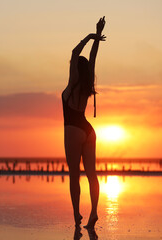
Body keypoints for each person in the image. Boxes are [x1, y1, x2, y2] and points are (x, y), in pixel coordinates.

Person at [62, 16, 106, 229]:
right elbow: (93, 56)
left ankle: (77, 215)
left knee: (74, 175)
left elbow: (74, 53)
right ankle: (94, 213)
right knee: (91, 175)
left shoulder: (72, 85)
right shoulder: (88, 84)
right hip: (89, 130)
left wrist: (90, 35)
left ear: (75, 69)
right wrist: (97, 35)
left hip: (73, 129)